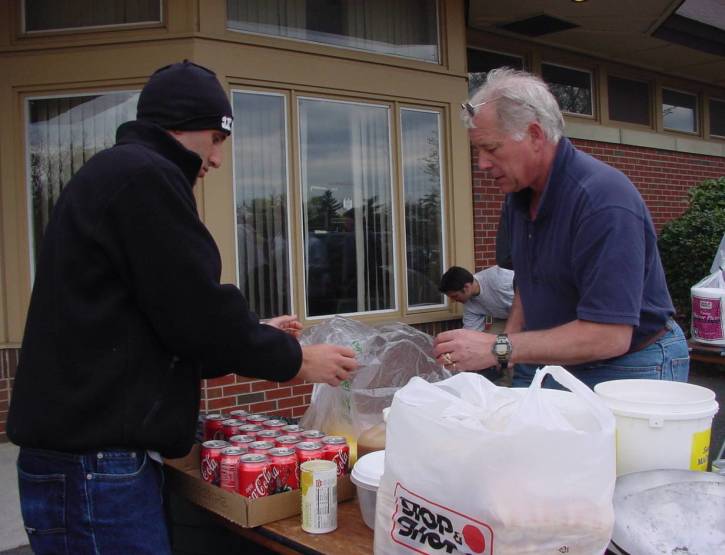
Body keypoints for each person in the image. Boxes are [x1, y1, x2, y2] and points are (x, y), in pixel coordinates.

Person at [7, 61, 358, 555]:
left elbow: (167, 318)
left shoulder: (122, 173)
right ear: (178, 123)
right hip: (93, 467)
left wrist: (252, 332)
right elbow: (196, 315)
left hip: (87, 461)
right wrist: (297, 360)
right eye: (215, 138)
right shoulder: (145, 176)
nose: (216, 159)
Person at [433, 68, 689, 389]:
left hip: (632, 362)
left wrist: (499, 346)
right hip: (552, 359)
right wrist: (506, 352)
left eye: (492, 148)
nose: (482, 163)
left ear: (536, 136)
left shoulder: (602, 202)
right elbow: (527, 283)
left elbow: (610, 336)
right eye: (478, 151)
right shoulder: (518, 196)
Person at [439, 265, 514, 334]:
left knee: (510, 341)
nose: (452, 301)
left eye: (455, 296)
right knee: (494, 344)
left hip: (523, 313)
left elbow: (523, 301)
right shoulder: (469, 306)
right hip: (503, 318)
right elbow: (470, 334)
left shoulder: (500, 279)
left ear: (467, 287)